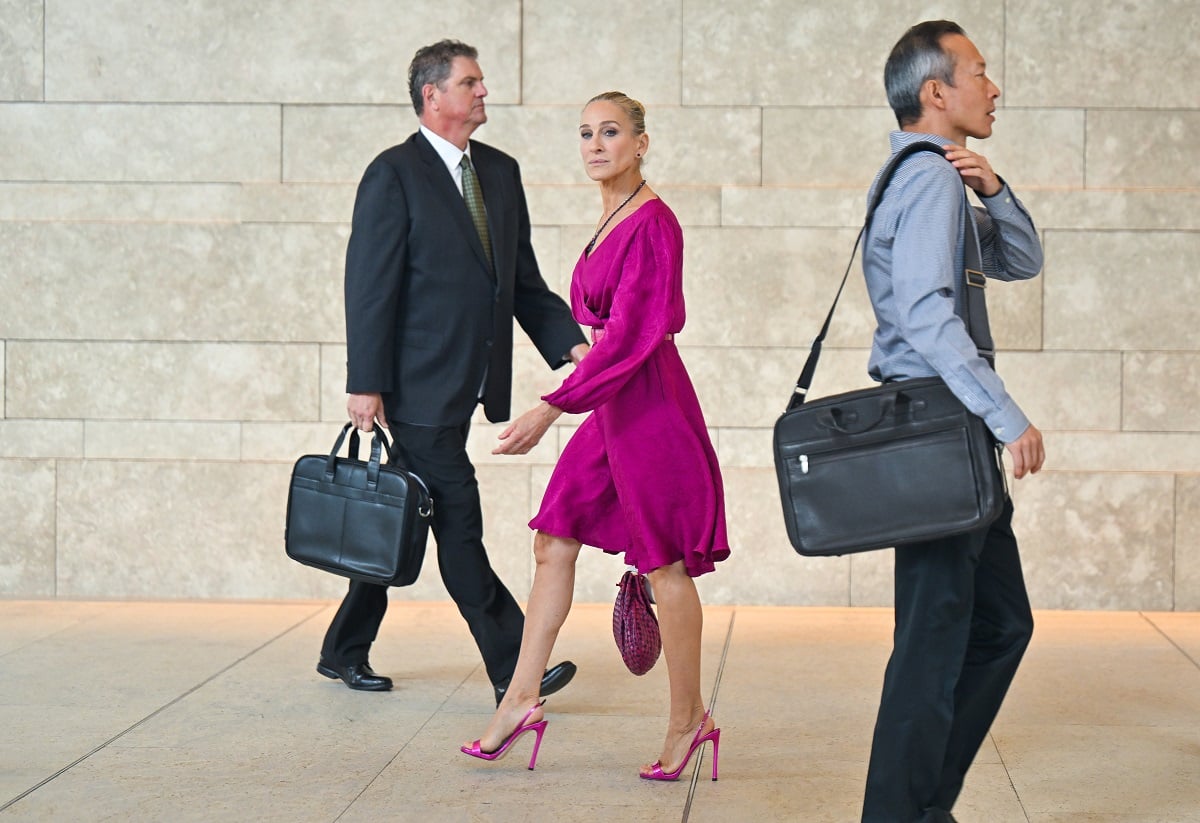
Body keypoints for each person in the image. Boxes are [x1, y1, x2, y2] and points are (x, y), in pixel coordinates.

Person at [459, 91, 730, 778]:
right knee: (553, 538)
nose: (596, 145)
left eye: (611, 132)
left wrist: (550, 408)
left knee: (665, 563)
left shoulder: (654, 223)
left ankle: (689, 721)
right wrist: (581, 375)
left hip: (651, 405)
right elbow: (609, 337)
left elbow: (636, 337)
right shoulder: (611, 214)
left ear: (641, 143)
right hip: (614, 399)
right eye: (585, 133)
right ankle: (521, 699)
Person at [317, 39, 587, 706]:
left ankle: (343, 647)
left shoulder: (499, 171)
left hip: (471, 381)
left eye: (481, 82)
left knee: (404, 512)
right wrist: (365, 381)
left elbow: (521, 283)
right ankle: (514, 665)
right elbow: (369, 286)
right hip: (414, 388)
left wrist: (573, 350)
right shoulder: (393, 174)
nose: (483, 91)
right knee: (457, 517)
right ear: (432, 95)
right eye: (470, 82)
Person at [859, 21, 1046, 823]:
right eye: (979, 72)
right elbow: (929, 316)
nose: (993, 88)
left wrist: (995, 190)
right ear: (937, 91)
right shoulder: (929, 180)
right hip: (941, 428)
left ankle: (924, 805)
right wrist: (1007, 417)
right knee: (932, 642)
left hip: (948, 431)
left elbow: (1021, 260)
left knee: (999, 622)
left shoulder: (940, 178)